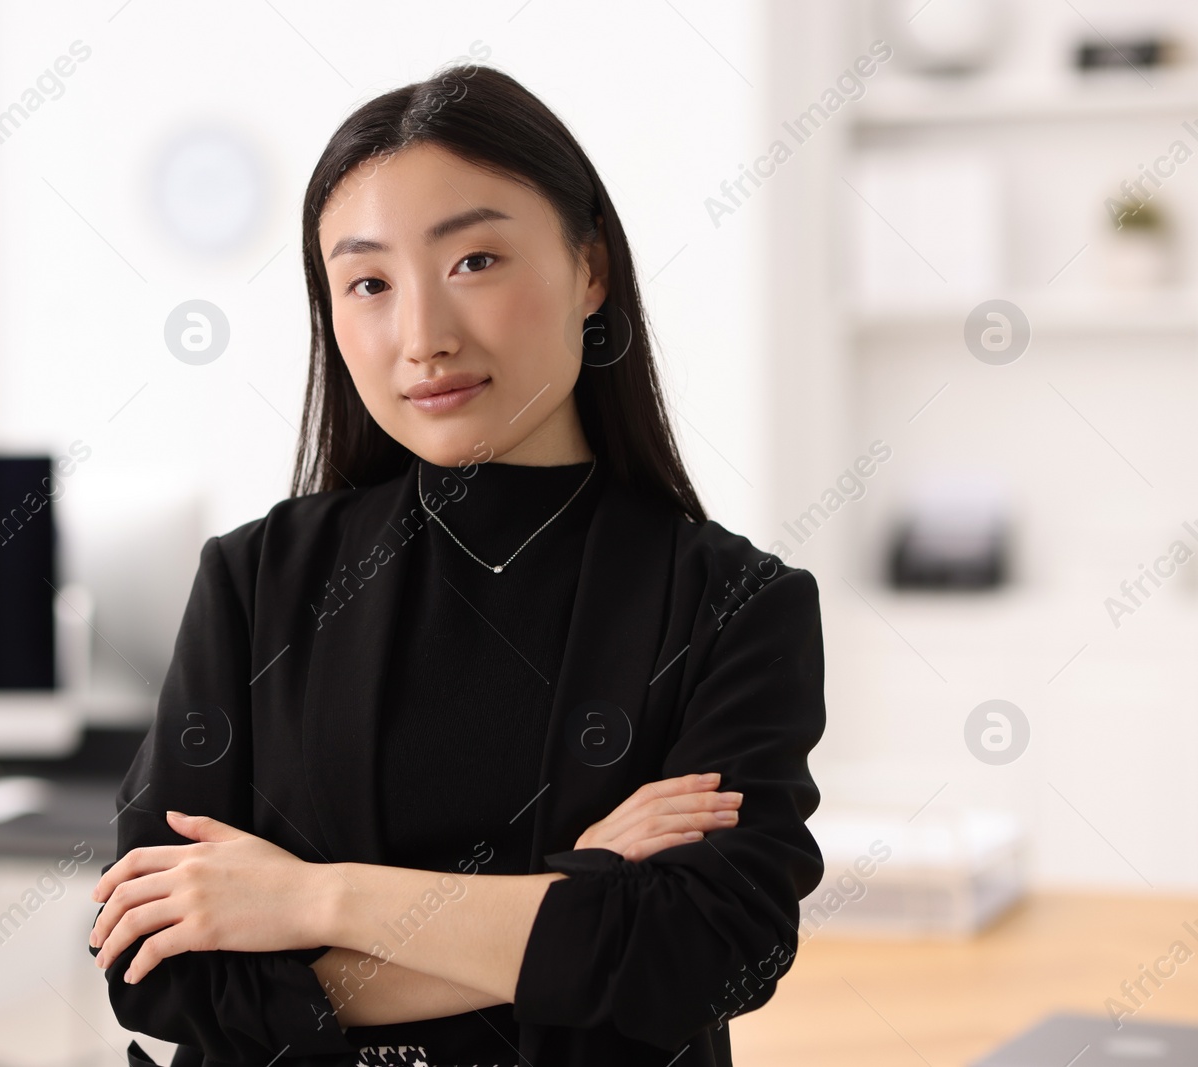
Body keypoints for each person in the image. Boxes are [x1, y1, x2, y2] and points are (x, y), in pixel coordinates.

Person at [87, 63, 826, 1067]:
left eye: (474, 261)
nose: (424, 337)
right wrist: (579, 891)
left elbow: (707, 954)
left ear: (590, 269)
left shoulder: (732, 604)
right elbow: (157, 965)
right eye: (368, 283)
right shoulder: (256, 579)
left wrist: (312, 896)